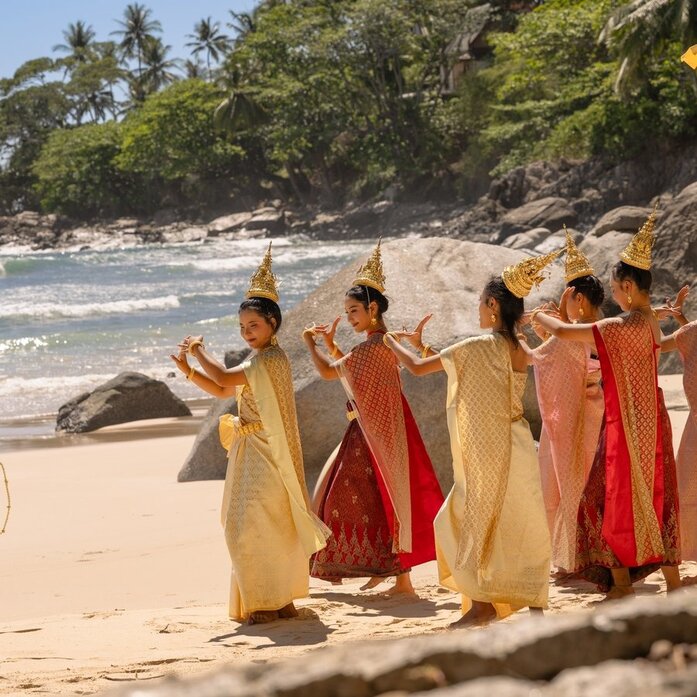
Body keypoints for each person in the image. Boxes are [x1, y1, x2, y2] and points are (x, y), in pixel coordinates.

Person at [384, 250, 560, 626]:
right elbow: (470, 369)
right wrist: (423, 346)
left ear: (493, 305)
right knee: (521, 520)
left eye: (480, 303)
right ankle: (534, 606)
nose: (478, 310)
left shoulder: (476, 347)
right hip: (516, 445)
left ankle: (481, 605)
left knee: (463, 519)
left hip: (488, 452)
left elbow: (416, 370)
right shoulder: (518, 346)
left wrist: (390, 342)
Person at [171, 244, 330, 624]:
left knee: (246, 527)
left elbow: (225, 377)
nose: (246, 333)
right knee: (264, 526)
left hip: (263, 451)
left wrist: (198, 351)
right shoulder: (261, 362)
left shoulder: (269, 359)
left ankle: (265, 602)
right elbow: (226, 391)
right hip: (253, 450)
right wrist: (190, 371)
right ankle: (276, 599)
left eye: (253, 326)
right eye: (242, 328)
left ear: (272, 324)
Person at [532, 209, 682, 598]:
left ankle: (619, 583)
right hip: (654, 419)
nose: (614, 296)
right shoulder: (650, 322)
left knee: (609, 498)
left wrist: (548, 317)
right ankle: (673, 582)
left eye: (616, 289)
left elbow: (566, 332)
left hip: (625, 424)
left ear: (629, 287)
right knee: (658, 496)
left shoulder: (621, 326)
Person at [303, 240, 444, 596]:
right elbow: (357, 373)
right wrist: (334, 346)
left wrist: (311, 345)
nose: (349, 318)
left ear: (373, 308)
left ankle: (398, 577)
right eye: (347, 312)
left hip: (372, 432)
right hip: (382, 429)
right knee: (381, 499)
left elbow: (329, 373)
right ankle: (393, 575)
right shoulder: (385, 341)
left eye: (353, 311)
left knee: (343, 498)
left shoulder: (369, 347)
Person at [522, 231, 605, 572]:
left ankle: (576, 557)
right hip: (601, 414)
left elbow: (534, 359)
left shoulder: (573, 333)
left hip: (575, 421)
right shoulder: (605, 326)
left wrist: (540, 327)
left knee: (570, 483)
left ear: (579, 300)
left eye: (567, 299)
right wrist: (555, 327)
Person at [658, 285, 695, 561]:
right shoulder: (692, 330)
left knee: (690, 490)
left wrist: (647, 312)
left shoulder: (692, 330)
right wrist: (681, 319)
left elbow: (657, 343)